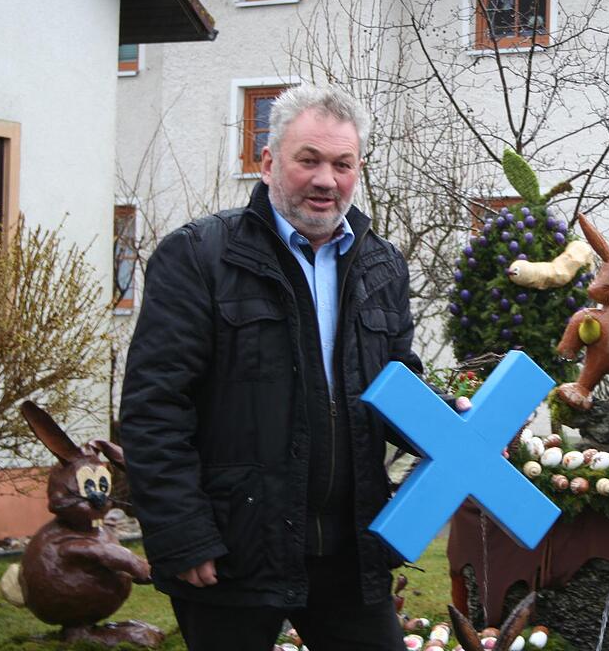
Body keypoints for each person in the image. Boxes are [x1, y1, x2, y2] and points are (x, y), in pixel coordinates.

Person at [120, 84, 420, 649]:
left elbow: (395, 386)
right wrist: (182, 533)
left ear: (357, 170)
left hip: (351, 552)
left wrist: (451, 427)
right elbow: (153, 408)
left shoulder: (383, 265)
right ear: (268, 162)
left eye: (342, 163)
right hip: (234, 551)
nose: (325, 179)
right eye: (308, 159)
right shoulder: (199, 256)